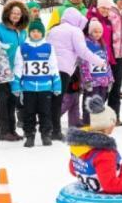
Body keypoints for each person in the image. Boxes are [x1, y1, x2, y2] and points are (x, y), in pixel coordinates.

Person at [48, 8, 106, 139]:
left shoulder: (54, 29)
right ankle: (55, 131)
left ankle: (48, 128)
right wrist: (99, 61)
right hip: (64, 69)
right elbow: (83, 51)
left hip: (50, 68)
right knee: (58, 99)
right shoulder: (75, 31)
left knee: (52, 99)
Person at [12, 21, 62, 147]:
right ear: (29, 33)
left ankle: (46, 134)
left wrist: (57, 83)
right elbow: (18, 66)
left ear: (42, 33)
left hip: (45, 87)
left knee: (45, 112)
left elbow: (54, 66)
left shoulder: (48, 47)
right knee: (28, 113)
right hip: (28, 88)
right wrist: (16, 83)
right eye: (33, 31)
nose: (36, 34)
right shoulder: (23, 47)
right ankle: (29, 135)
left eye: (38, 32)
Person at [0, 1, 30, 141]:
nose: (15, 16)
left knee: (12, 101)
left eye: (18, 14)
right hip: (2, 69)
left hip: (17, 71)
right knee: (3, 100)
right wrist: (0, 47)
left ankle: (12, 130)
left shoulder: (22, 32)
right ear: (8, 13)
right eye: (13, 13)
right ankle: (4, 131)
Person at [80, 18, 114, 126]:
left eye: (100, 32)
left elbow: (106, 63)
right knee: (90, 101)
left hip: (103, 80)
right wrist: (87, 80)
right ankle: (87, 121)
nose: (97, 34)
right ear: (90, 31)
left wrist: (110, 79)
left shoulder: (103, 45)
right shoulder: (86, 44)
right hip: (92, 81)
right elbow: (84, 63)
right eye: (95, 31)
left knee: (101, 101)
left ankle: (97, 121)